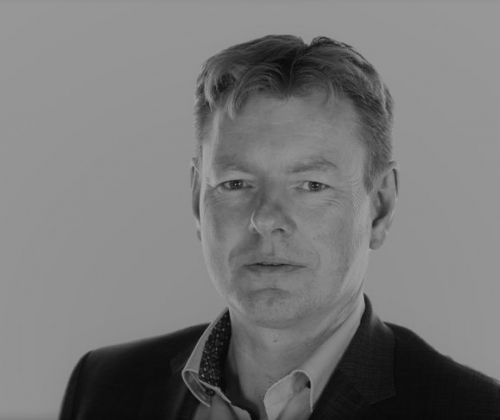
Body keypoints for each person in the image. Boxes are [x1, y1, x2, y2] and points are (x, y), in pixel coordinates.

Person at [59, 34, 500, 420]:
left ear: (380, 207)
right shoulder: (103, 388)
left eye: (311, 185)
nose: (266, 218)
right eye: (236, 183)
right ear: (197, 199)